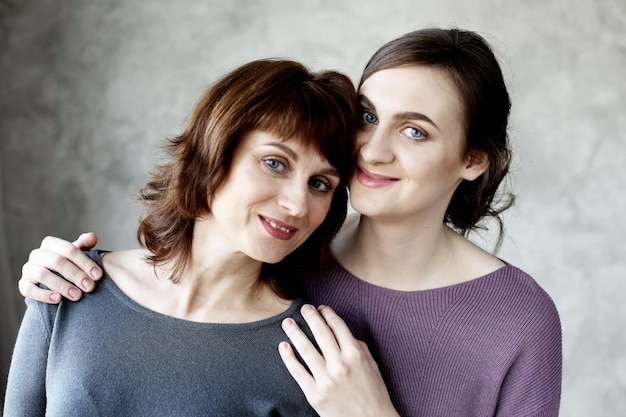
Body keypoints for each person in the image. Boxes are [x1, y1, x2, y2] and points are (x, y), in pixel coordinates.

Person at [14, 28, 562, 416]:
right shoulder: (282, 260)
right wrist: (56, 275)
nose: (372, 150)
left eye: (414, 131)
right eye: (367, 117)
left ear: (473, 160)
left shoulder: (519, 320)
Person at [4, 58, 370, 416]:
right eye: (275, 162)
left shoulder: (312, 353)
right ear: (213, 152)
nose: (297, 205)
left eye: (320, 184)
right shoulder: (70, 285)